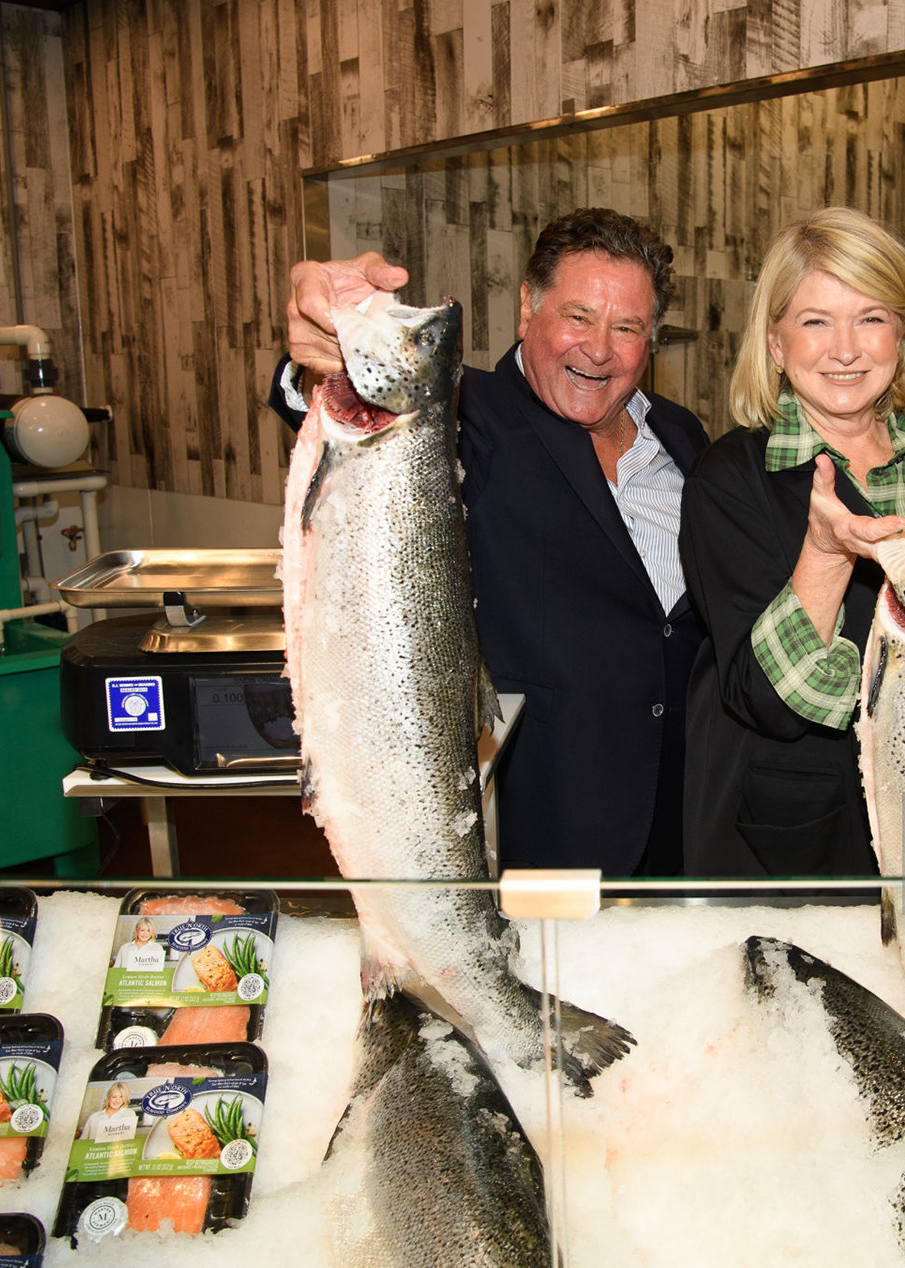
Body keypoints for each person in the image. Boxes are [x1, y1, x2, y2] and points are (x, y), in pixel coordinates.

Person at [272, 210, 710, 876]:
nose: (599, 349)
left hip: (685, 820)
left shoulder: (683, 437)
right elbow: (363, 427)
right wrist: (323, 354)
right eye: (579, 317)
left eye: (627, 328)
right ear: (528, 307)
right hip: (541, 824)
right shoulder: (465, 412)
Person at [680, 207, 905, 878]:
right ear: (775, 344)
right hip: (783, 845)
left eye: (871, 318)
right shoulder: (731, 478)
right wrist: (825, 555)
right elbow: (763, 698)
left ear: (902, 335)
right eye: (815, 321)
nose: (846, 349)